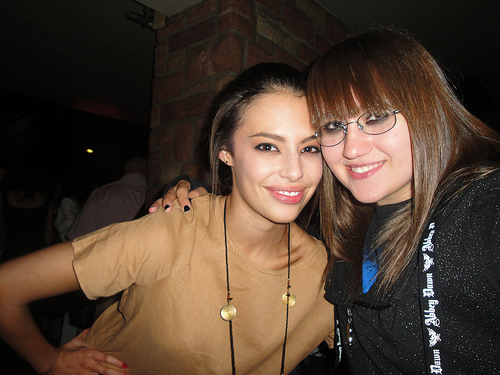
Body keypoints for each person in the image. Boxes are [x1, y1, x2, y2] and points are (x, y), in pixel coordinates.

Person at [153, 29, 500, 374]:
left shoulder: (480, 209)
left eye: (376, 117)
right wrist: (190, 190)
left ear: (427, 108)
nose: (351, 148)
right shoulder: (343, 238)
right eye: (333, 126)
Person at [0, 63, 335, 375]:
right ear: (226, 151)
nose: (295, 171)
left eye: (310, 148)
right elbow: (6, 288)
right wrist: (50, 361)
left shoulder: (328, 276)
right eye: (267, 146)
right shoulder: (173, 228)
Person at [66, 156, 148, 240]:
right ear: (146, 171)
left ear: (125, 171)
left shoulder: (101, 194)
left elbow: (77, 238)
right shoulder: (154, 196)